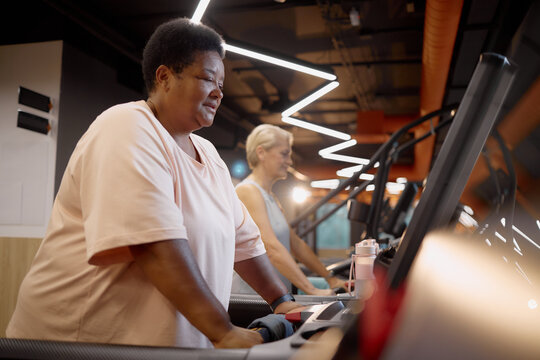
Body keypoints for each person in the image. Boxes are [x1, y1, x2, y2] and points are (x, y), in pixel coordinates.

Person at [6, 18, 300, 349]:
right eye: (207, 79)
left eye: (221, 84)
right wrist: (224, 331)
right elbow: (154, 244)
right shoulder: (127, 127)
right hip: (78, 346)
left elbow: (244, 243)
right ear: (164, 77)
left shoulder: (209, 155)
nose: (219, 92)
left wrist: (281, 300)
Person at [232, 124, 348, 296]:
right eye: (284, 154)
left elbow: (296, 244)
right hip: (253, 298)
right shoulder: (247, 191)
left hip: (276, 295)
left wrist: (329, 277)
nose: (290, 161)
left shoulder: (271, 198)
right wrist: (311, 290)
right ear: (261, 152)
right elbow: (270, 247)